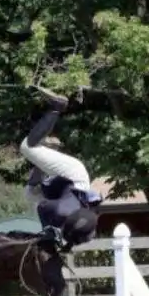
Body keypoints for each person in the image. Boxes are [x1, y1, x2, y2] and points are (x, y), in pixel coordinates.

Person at [20, 87, 103, 248]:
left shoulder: (48, 201)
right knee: (28, 147)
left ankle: (56, 110)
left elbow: (40, 198)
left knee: (29, 149)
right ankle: (57, 107)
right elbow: (47, 209)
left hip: (71, 178)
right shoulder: (60, 208)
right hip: (74, 176)